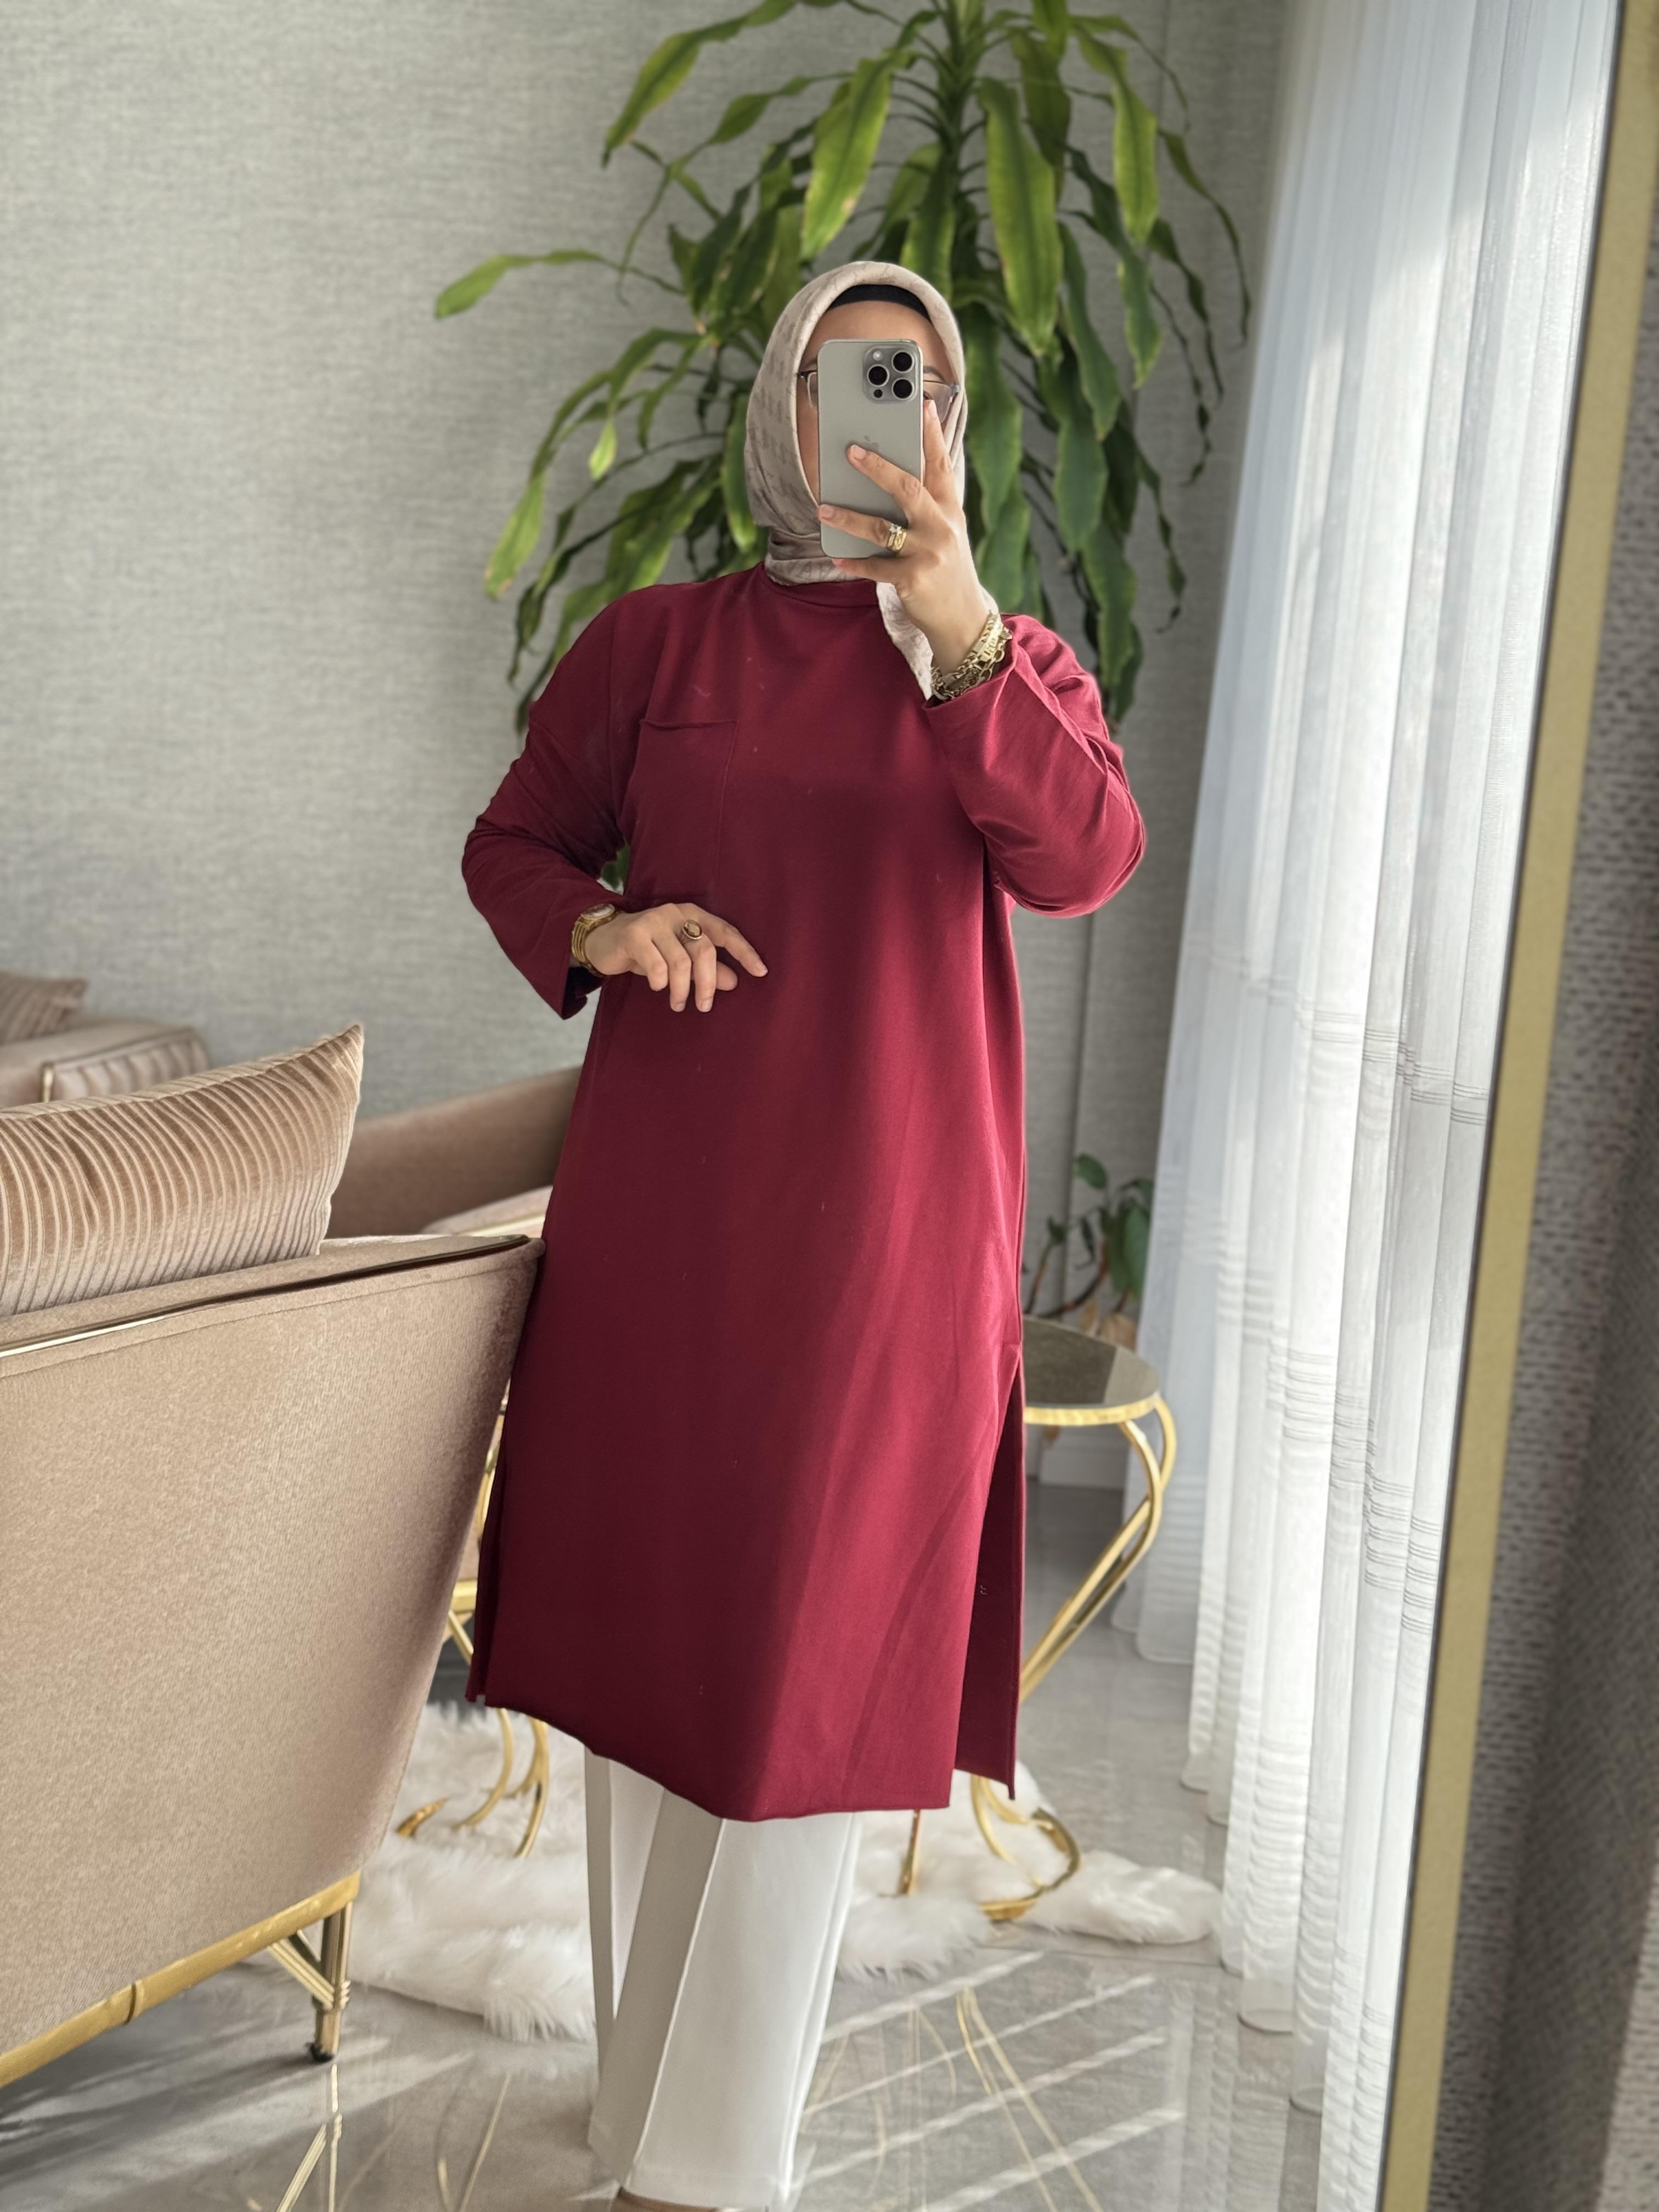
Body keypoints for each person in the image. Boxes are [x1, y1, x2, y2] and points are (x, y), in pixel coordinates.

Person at [460, 259, 1145, 2211]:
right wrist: (609, 927)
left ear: (948, 421)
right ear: (784, 409)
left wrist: (958, 628)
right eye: (843, 380)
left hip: (888, 1258)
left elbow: (1086, 859)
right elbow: (515, 844)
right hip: (668, 1245)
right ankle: (637, 2116)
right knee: (660, 1679)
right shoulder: (659, 643)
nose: (874, 417)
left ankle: (711, 2168)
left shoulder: (1008, 664)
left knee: (808, 1693)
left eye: (906, 382)